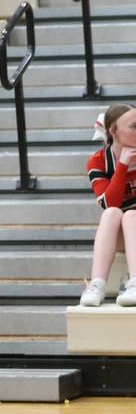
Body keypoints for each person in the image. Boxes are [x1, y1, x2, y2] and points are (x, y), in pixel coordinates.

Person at [80, 104, 136, 307]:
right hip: (125, 232)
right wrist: (122, 165)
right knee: (113, 213)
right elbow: (109, 202)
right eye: (134, 126)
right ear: (113, 131)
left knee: (131, 216)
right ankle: (97, 285)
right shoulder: (98, 161)